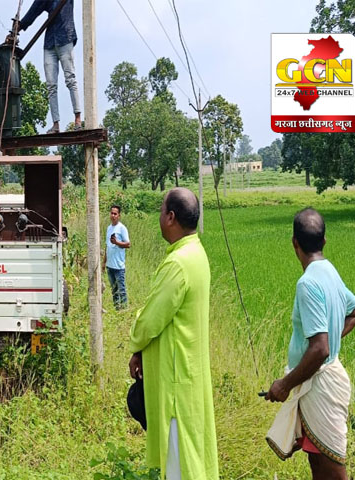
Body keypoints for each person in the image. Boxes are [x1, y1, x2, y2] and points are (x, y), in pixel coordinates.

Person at [128, 188, 218, 480]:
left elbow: (150, 321)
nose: (159, 217)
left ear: (170, 217)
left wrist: (136, 341)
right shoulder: (197, 253)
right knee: (191, 458)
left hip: (176, 385)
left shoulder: (178, 263)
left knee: (179, 465)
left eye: (160, 211)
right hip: (189, 376)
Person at [265, 208, 355, 480]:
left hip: (321, 387)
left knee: (333, 471)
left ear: (294, 242)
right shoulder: (329, 270)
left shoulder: (307, 283)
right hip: (319, 383)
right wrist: (332, 336)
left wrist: (284, 385)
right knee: (318, 465)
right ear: (324, 241)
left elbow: (320, 349)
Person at [16, 0, 82, 133]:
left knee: (70, 79)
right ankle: (56, 123)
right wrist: (20, 26)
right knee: (51, 85)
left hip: (65, 37)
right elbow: (35, 9)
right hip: (50, 43)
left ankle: (78, 119)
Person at [104, 204, 131, 309]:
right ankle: (117, 309)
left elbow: (128, 244)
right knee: (114, 290)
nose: (113, 215)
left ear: (119, 215)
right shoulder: (109, 228)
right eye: (112, 213)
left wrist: (117, 242)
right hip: (110, 265)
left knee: (121, 290)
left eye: (115, 214)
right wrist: (104, 262)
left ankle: (124, 310)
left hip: (119, 266)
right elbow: (107, 246)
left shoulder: (122, 228)